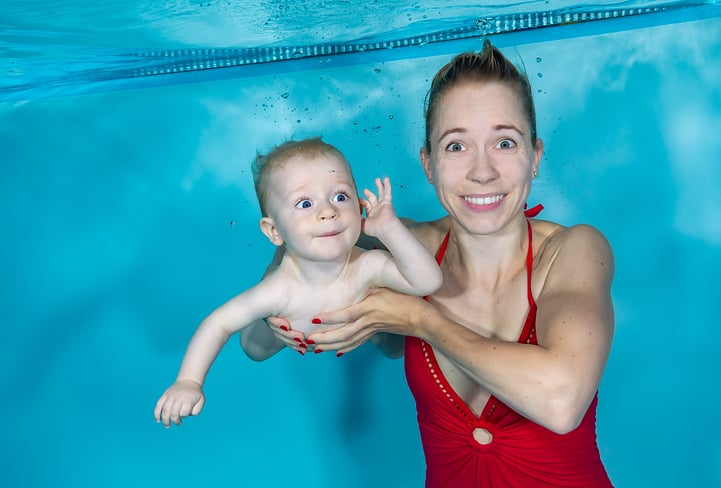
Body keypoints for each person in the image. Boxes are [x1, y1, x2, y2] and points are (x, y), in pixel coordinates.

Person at [259, 40, 616, 486]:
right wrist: (296, 251)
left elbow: (562, 403)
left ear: (535, 156)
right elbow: (256, 344)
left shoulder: (573, 251)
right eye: (456, 147)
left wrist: (419, 318)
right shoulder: (400, 245)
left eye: (504, 142)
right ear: (427, 164)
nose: (482, 172)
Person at [154, 137, 442, 428]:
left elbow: (427, 282)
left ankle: (376, 333)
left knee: (395, 350)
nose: (328, 211)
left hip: (364, 311)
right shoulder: (279, 289)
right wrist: (188, 381)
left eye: (341, 197)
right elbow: (218, 323)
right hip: (296, 322)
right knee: (254, 350)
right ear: (273, 230)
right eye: (305, 203)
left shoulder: (367, 264)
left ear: (360, 207)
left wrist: (390, 229)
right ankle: (277, 268)